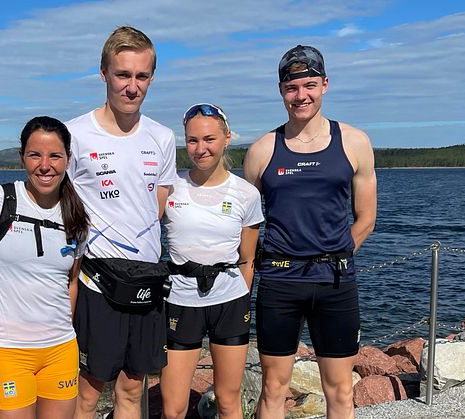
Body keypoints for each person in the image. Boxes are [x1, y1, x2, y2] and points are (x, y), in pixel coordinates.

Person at [243, 45, 377, 418]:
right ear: (281, 90)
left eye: (310, 85)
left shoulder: (354, 142)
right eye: (292, 87)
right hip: (279, 282)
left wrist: (334, 253)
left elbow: (366, 218)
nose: (301, 96)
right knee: (272, 389)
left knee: (340, 391)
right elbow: (247, 224)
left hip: (335, 282)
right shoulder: (261, 151)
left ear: (325, 85)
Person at [64, 26, 177, 419]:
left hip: (146, 277)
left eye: (141, 76)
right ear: (104, 74)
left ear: (151, 78)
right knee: (89, 391)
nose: (132, 86)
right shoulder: (76, 134)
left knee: (132, 388)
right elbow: (46, 196)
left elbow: (158, 205)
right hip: (96, 279)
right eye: (123, 75)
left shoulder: (162, 137)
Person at [0, 116, 89, 419]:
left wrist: (63, 328)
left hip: (60, 349)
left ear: (68, 159)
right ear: (22, 157)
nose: (45, 165)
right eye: (35, 155)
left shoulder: (77, 215)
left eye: (55, 156)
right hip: (7, 350)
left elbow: (72, 281)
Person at [160, 103, 263, 419]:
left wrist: (240, 297)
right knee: (174, 407)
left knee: (229, 401)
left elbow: (248, 259)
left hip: (229, 302)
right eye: (192, 140)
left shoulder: (246, 194)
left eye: (209, 139)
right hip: (180, 300)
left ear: (227, 138)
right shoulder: (170, 187)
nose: (200, 148)